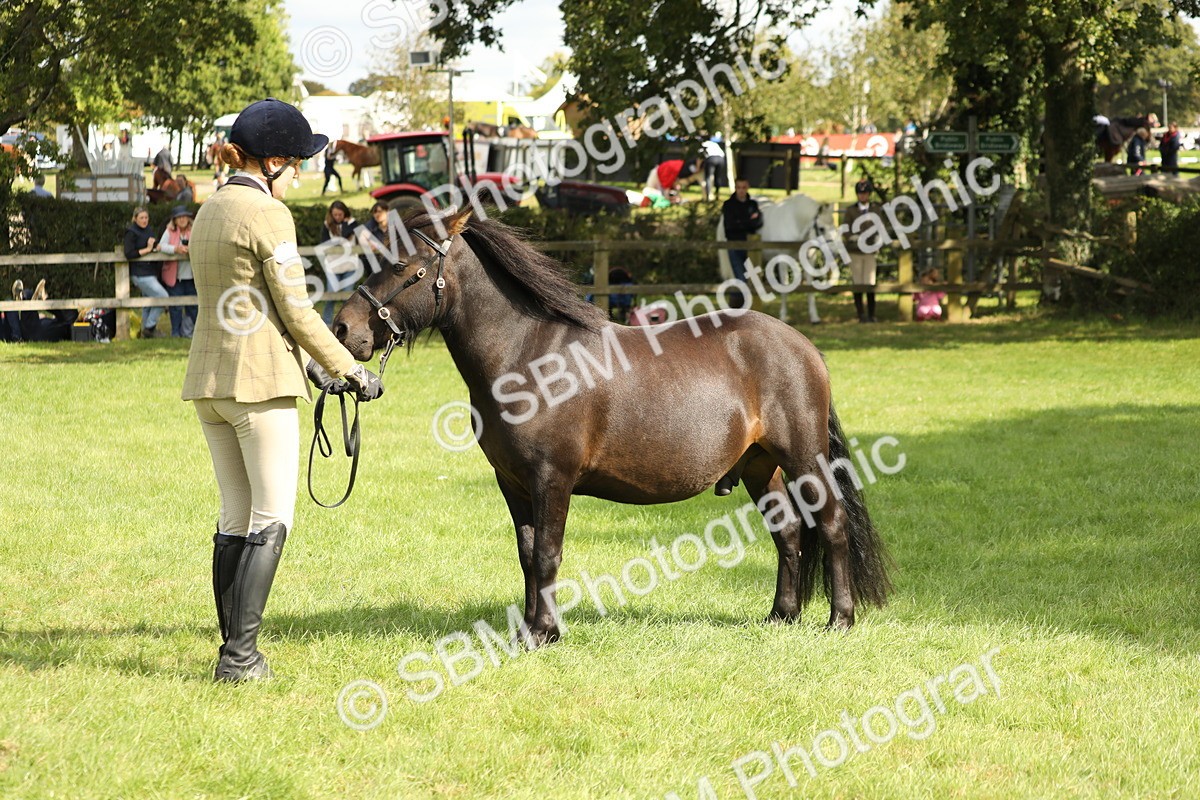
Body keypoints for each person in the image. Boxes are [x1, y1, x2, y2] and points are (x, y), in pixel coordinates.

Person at [182, 97, 383, 683]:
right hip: (259, 384)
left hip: (209, 380)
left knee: (235, 516)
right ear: (271, 161)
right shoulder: (269, 216)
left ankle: (233, 652)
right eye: (296, 162)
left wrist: (313, 368)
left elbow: (250, 304)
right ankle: (239, 658)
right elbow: (297, 312)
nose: (300, 172)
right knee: (273, 517)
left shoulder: (211, 206)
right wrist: (350, 369)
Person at [123, 207, 167, 337]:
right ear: (135, 218)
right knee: (163, 297)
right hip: (140, 273)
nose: (144, 220)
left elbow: (152, 243)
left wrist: (156, 246)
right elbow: (129, 253)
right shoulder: (131, 232)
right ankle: (149, 327)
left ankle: (144, 333)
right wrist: (148, 249)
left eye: (146, 217)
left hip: (150, 271)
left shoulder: (149, 230)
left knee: (148, 303)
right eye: (141, 218)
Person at [844, 179, 882, 323]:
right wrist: (851, 237)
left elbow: (880, 225)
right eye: (860, 194)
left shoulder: (875, 209)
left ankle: (872, 314)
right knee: (858, 282)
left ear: (869, 194)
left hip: (870, 250)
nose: (863, 196)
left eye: (865, 193)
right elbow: (845, 228)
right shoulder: (851, 210)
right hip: (855, 251)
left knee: (870, 283)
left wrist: (878, 239)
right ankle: (861, 315)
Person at [158, 205, 197, 338]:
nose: (182, 219)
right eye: (179, 217)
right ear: (174, 220)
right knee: (175, 307)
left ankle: (193, 333)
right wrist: (176, 249)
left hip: (192, 277)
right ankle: (176, 333)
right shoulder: (169, 231)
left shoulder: (194, 229)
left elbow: (200, 244)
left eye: (184, 216)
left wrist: (190, 248)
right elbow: (161, 246)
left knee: (193, 306)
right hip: (174, 278)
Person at [318, 200, 360, 325]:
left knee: (346, 298)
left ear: (345, 214)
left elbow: (346, 234)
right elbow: (324, 244)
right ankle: (326, 323)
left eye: (340, 215)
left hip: (349, 266)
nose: (337, 217)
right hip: (333, 266)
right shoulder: (327, 225)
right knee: (331, 296)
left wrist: (346, 223)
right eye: (335, 215)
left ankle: (346, 323)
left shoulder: (352, 223)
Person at [721, 178, 763, 286]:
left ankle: (738, 301)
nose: (741, 191)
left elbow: (758, 222)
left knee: (753, 279)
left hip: (750, 246)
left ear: (747, 188)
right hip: (735, 245)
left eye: (744, 188)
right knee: (741, 279)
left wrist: (740, 222)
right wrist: (749, 221)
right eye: (739, 188)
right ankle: (740, 301)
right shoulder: (728, 205)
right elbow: (730, 225)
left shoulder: (753, 204)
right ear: (735, 188)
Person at [701, 134, 727, 201]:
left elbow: (701, 155)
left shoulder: (703, 144)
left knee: (708, 177)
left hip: (711, 158)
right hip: (721, 159)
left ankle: (708, 196)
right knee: (717, 177)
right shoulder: (715, 144)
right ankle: (717, 194)